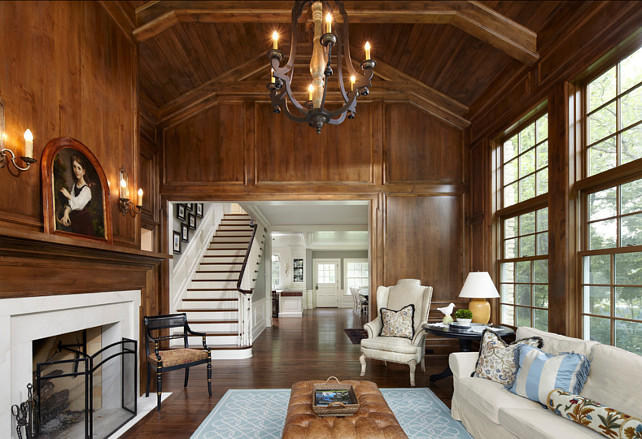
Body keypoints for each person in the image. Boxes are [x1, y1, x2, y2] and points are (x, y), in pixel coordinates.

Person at [59, 154, 94, 235]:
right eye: (74, 167)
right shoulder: (75, 185)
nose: (76, 170)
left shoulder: (86, 190)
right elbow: (71, 203)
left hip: (83, 222)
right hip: (75, 219)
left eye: (79, 168)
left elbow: (78, 204)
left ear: (84, 171)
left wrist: (68, 195)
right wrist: (66, 213)